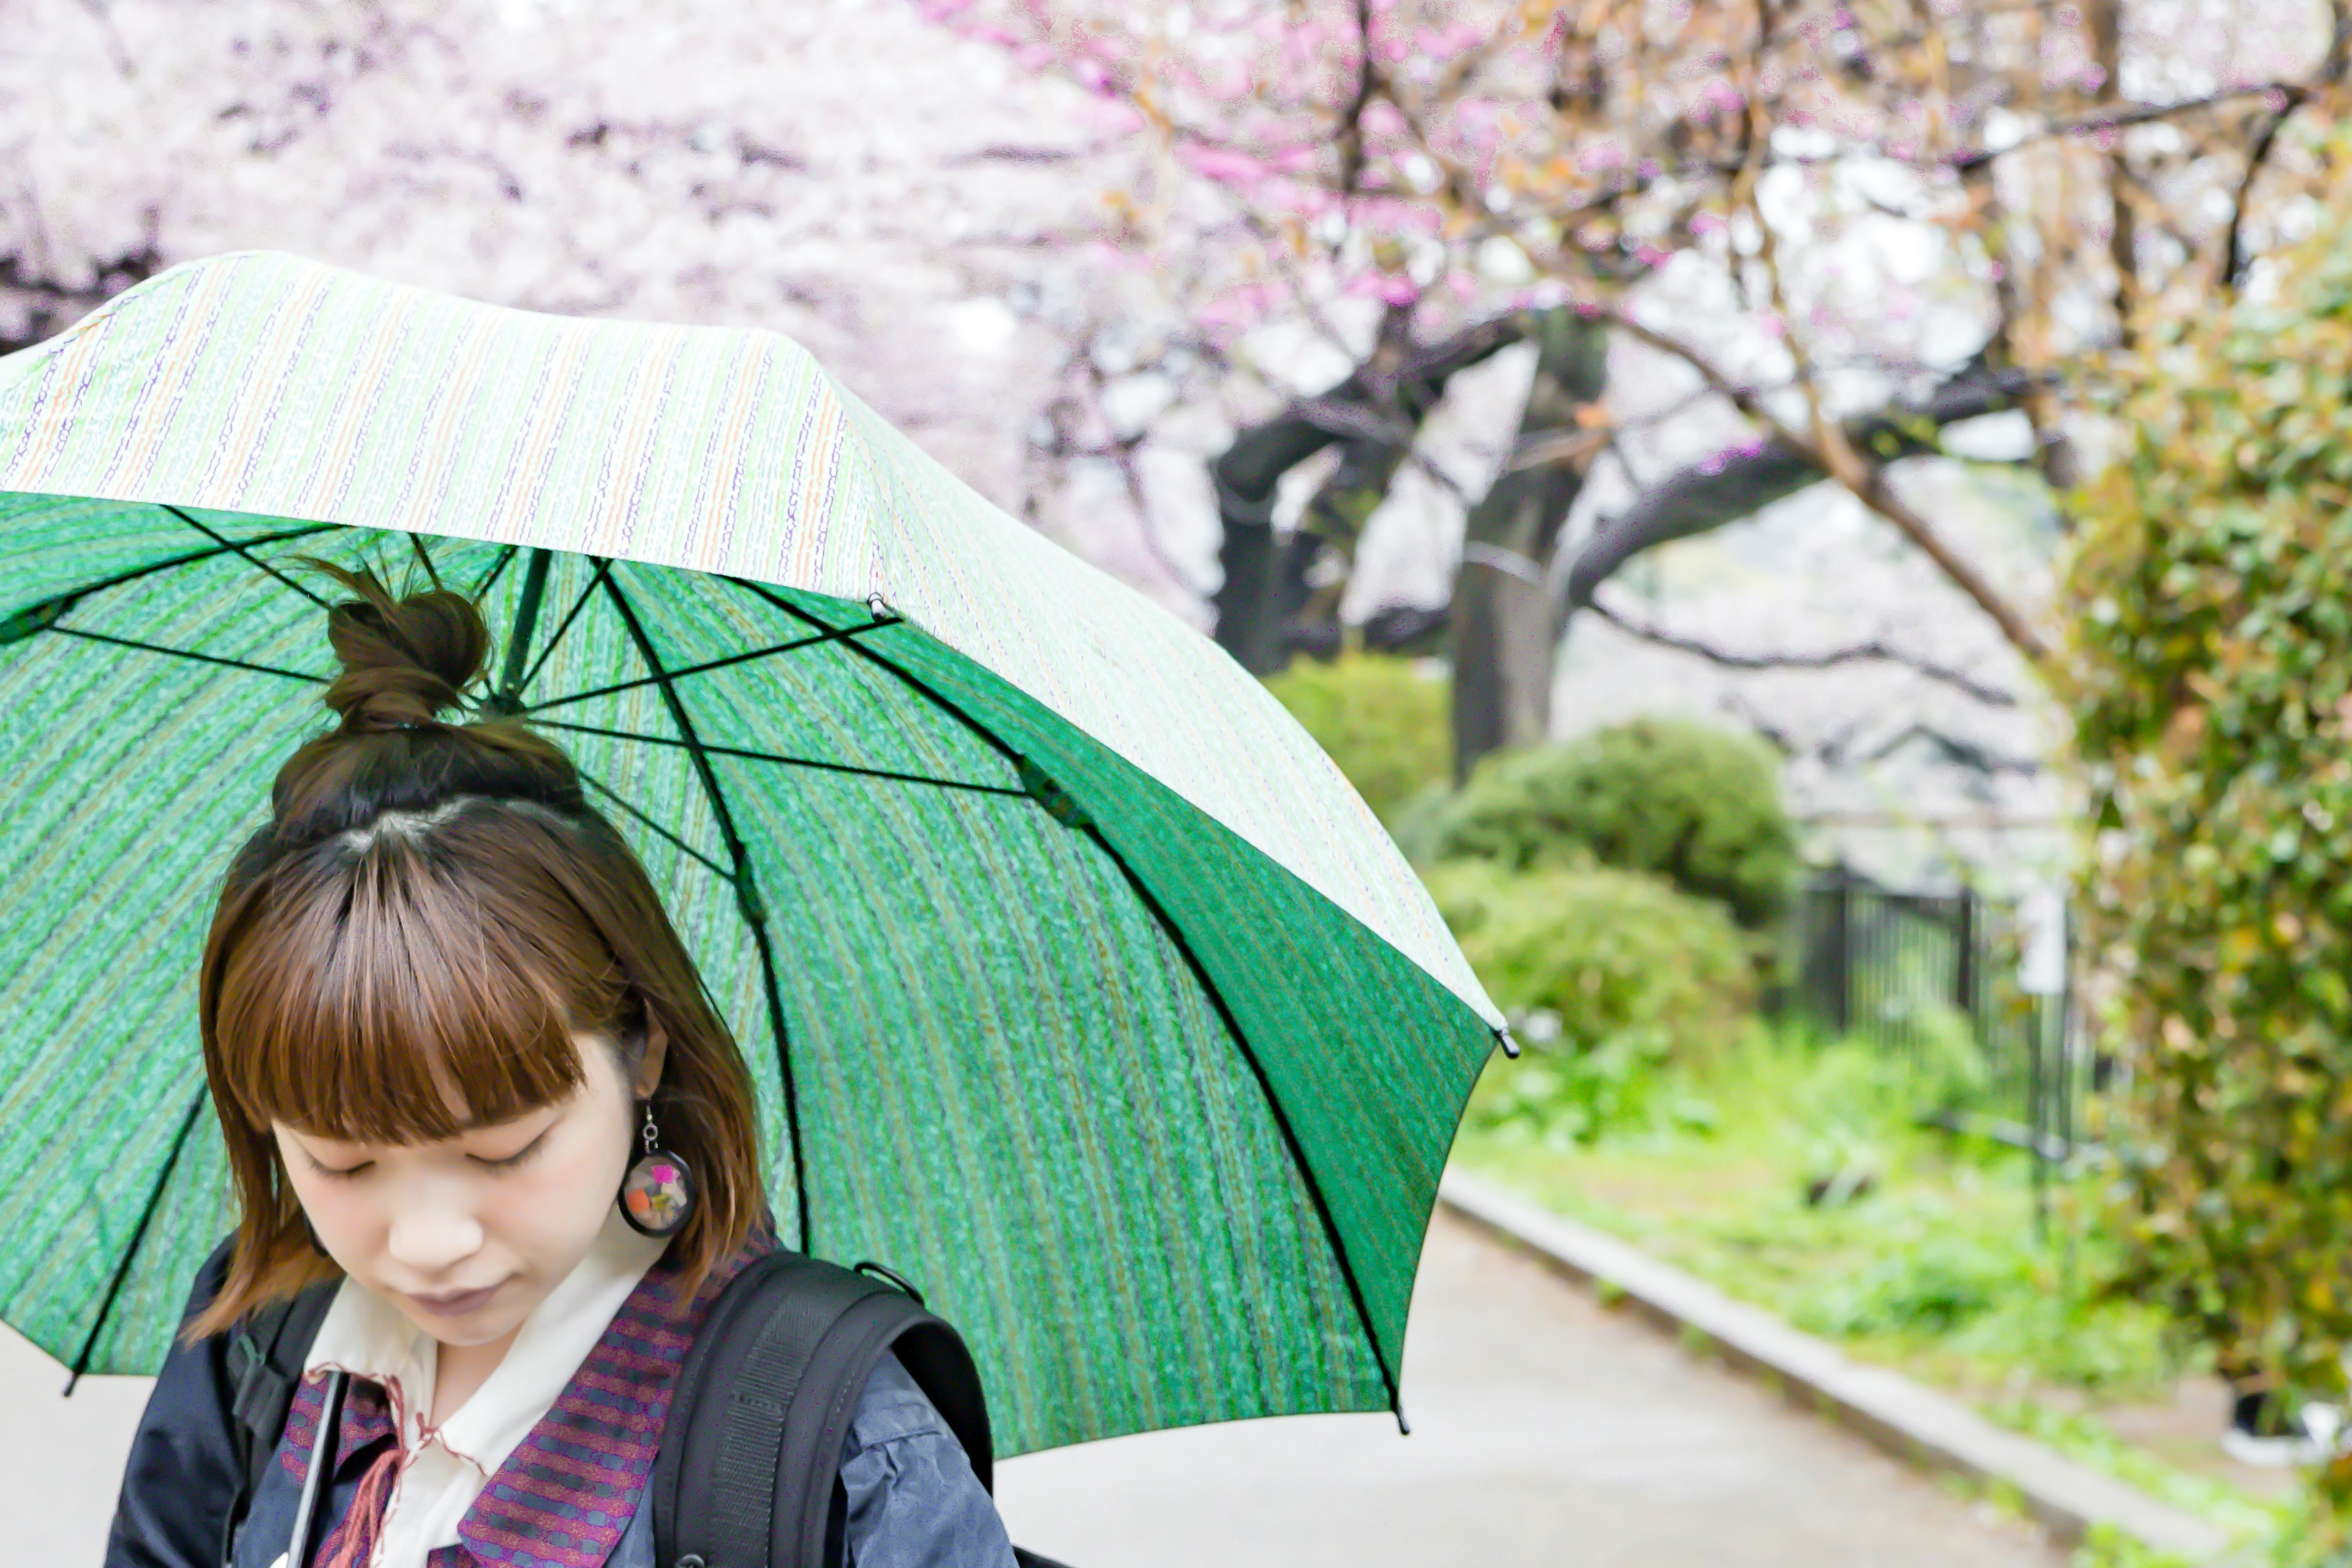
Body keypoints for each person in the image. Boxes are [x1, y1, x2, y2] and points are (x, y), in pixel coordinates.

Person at [104, 565, 1017, 1568]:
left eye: (505, 1149)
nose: (429, 1241)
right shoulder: (263, 1332)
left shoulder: (838, 1456)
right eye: (343, 1164)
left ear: (643, 1047)